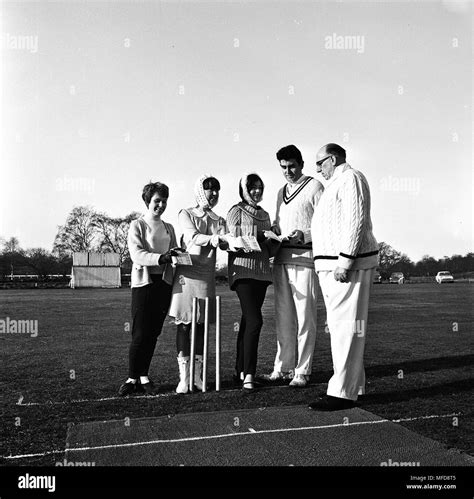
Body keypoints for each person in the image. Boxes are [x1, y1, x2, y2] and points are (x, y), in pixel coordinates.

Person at [309, 144, 379, 411]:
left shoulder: (351, 178)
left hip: (345, 265)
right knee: (343, 327)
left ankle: (341, 393)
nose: (317, 169)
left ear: (333, 158)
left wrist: (346, 260)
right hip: (331, 265)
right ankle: (353, 386)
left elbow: (355, 220)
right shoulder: (336, 183)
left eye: (320, 163)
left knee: (345, 327)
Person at [264, 145, 324, 387]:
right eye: (283, 167)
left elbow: (325, 223)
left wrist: (305, 235)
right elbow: (280, 223)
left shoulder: (315, 186)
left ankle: (303, 370)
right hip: (281, 260)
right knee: (284, 317)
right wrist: (271, 234)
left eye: (292, 166)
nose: (288, 171)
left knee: (305, 317)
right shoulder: (281, 191)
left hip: (305, 260)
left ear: (301, 164)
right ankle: (284, 366)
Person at [119, 182, 180, 396]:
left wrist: (178, 255)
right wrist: (162, 257)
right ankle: (131, 378)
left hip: (163, 284)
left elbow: (173, 253)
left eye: (164, 201)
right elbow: (137, 254)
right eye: (157, 201)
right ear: (148, 201)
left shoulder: (169, 227)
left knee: (153, 333)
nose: (161, 205)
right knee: (140, 333)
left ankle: (144, 376)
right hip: (144, 285)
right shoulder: (137, 225)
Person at [168, 174, 228, 394]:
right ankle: (184, 378)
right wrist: (212, 239)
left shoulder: (219, 220)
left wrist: (231, 242)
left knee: (201, 326)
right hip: (186, 275)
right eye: (209, 189)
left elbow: (224, 244)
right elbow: (192, 236)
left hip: (205, 276)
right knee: (185, 325)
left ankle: (198, 377)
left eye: (216, 190)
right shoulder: (186, 213)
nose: (213, 194)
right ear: (200, 190)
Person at [226, 173, 275, 392]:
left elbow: (270, 249)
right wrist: (262, 236)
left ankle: (239, 371)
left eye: (259, 187)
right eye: (252, 187)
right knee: (255, 321)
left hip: (262, 274)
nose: (256, 191)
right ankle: (249, 374)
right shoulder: (235, 210)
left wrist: (278, 239)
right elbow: (235, 238)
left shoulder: (265, 214)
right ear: (244, 189)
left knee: (247, 322)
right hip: (243, 272)